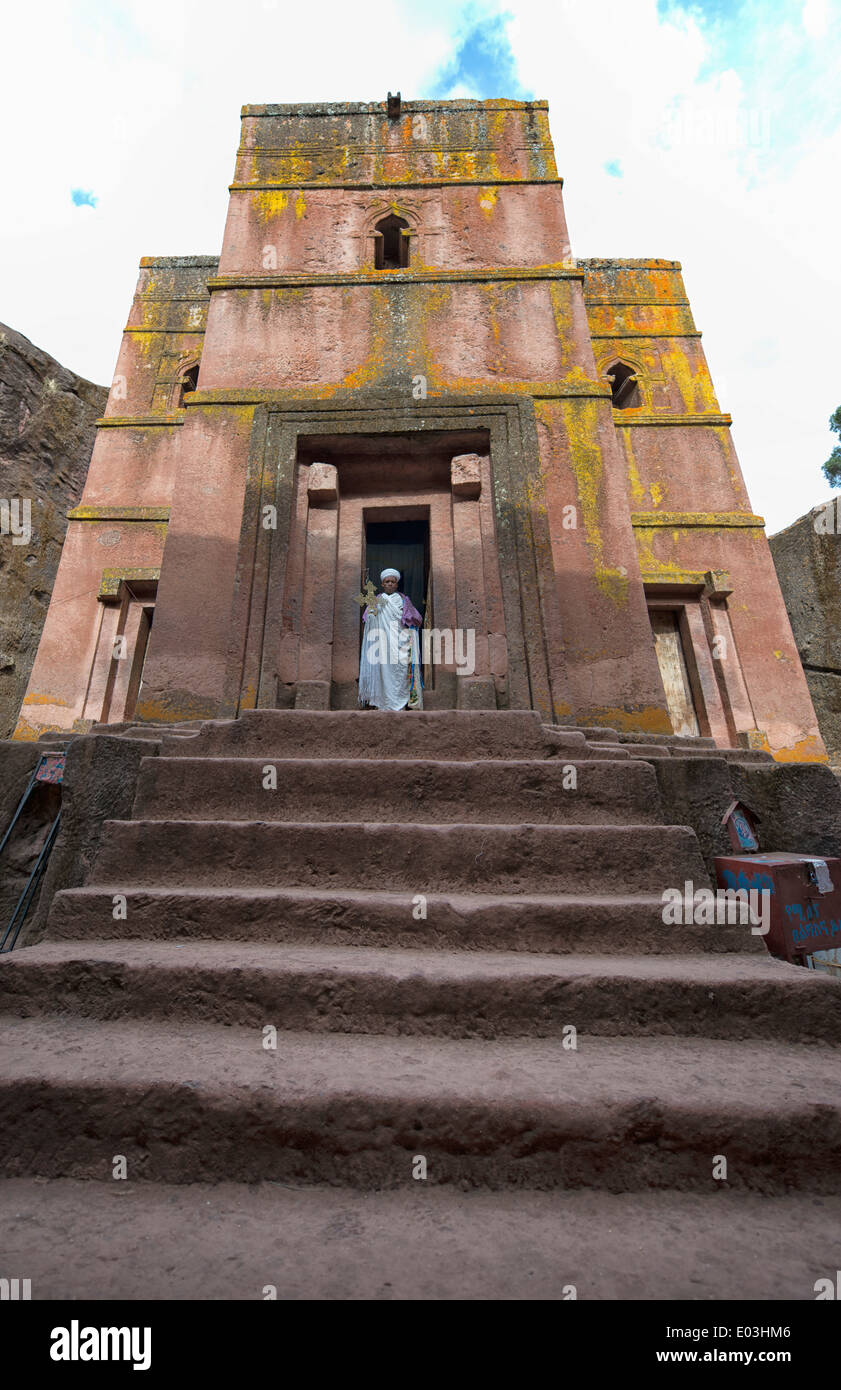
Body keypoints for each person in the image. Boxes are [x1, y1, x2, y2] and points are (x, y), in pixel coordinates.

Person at [358, 567, 423, 710]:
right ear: (382, 584)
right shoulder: (376, 600)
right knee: (383, 672)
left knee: (402, 670)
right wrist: (371, 616)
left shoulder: (404, 600)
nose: (390, 584)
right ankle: (383, 703)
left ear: (397, 584)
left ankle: (402, 702)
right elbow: (367, 619)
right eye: (387, 581)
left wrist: (410, 623)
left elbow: (416, 619)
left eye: (392, 582)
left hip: (401, 641)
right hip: (383, 643)